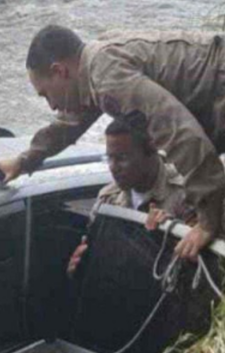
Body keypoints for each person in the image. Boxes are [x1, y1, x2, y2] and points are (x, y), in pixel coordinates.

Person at [0, 25, 225, 260]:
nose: (50, 105)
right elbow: (69, 125)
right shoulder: (96, 72)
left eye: (45, 93)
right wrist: (24, 162)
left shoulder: (107, 77)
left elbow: (184, 138)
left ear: (59, 71)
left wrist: (207, 223)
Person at [67, 115, 195, 277]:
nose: (113, 167)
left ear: (150, 151)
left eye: (121, 158)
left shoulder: (187, 195)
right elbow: (97, 266)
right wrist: (78, 269)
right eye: (109, 158)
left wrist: (164, 237)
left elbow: (198, 275)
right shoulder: (107, 199)